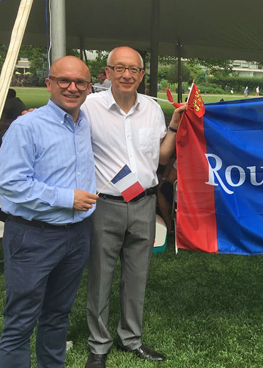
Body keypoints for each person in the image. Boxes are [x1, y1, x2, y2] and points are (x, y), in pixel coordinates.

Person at [82, 46, 186, 368]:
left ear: (142, 75)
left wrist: (174, 124)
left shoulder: (152, 109)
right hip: (106, 205)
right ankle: (99, 345)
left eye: (133, 70)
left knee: (137, 276)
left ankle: (131, 339)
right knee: (101, 276)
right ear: (108, 72)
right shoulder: (88, 106)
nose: (127, 75)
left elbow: (162, 157)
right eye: (119, 68)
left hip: (144, 202)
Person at [0, 56, 98, 368]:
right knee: (20, 321)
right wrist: (67, 198)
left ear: (88, 87)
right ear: (49, 84)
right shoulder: (26, 126)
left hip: (76, 235)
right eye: (64, 81)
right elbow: (10, 184)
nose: (72, 87)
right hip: (32, 236)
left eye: (80, 82)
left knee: (57, 315)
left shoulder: (83, 123)